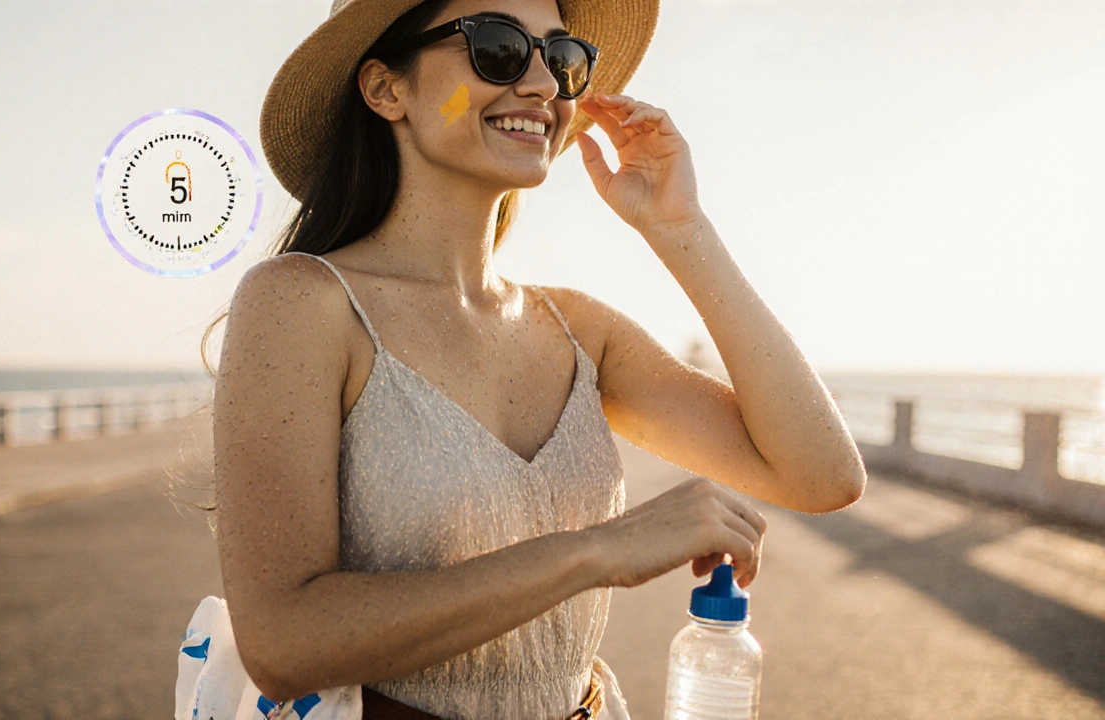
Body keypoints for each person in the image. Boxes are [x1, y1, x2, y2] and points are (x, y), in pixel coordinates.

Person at [204, 0, 866, 718]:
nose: (545, 86)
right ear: (385, 89)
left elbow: (821, 474)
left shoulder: (578, 329)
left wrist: (682, 230)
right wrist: (599, 551)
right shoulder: (303, 303)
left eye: (562, 58)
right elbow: (282, 645)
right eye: (498, 47)